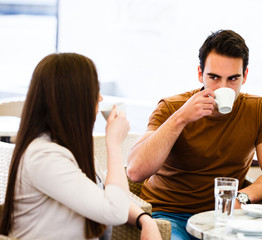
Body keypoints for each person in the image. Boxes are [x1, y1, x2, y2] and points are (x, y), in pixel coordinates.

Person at [127, 29, 262, 239]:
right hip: (170, 215)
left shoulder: (258, 110)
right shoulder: (171, 107)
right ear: (199, 73)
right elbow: (135, 171)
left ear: (245, 76)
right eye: (214, 77)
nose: (223, 87)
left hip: (225, 217)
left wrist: (243, 197)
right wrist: (181, 118)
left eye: (233, 79)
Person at [0, 53, 161, 240]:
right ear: (74, 99)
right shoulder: (45, 157)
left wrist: (144, 219)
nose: (100, 98)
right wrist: (114, 143)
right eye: (94, 90)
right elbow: (114, 211)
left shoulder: (69, 148)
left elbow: (107, 195)